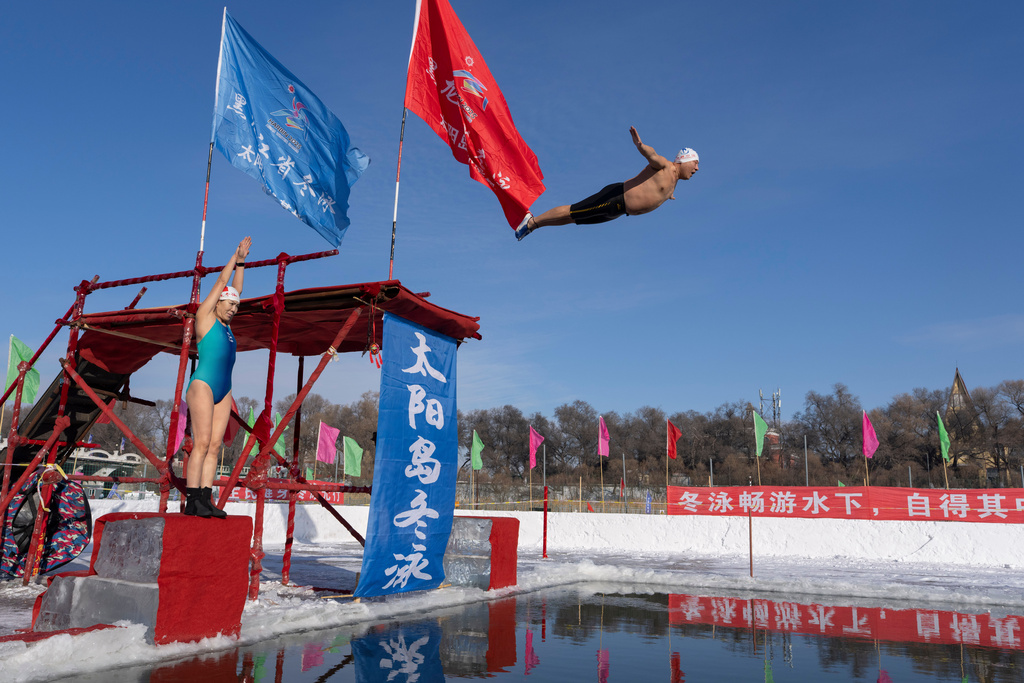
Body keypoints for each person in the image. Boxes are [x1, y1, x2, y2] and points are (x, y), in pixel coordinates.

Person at [514, 126, 699, 240]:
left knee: (573, 219)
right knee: (573, 210)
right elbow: (652, 156)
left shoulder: (673, 184)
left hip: (617, 211)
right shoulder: (666, 167)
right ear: (684, 160)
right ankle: (532, 220)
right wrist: (640, 145)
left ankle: (533, 225)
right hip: (615, 198)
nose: (697, 168)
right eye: (695, 163)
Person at [184, 237, 251, 517]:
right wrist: (234, 259)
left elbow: (235, 289)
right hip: (203, 386)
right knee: (200, 443)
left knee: (215, 445)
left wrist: (243, 265)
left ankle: (206, 498)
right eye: (229, 305)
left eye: (237, 307)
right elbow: (222, 285)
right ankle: (192, 501)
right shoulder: (206, 318)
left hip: (225, 390)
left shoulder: (227, 327)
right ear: (218, 303)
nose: (234, 309)